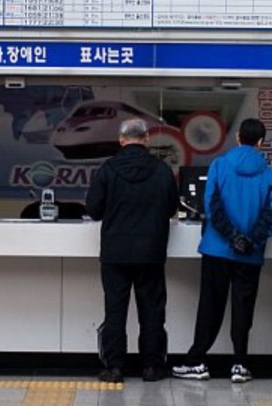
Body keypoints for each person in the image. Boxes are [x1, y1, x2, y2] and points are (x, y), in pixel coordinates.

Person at [172, 117, 272, 384]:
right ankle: (239, 364)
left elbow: (212, 206)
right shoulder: (269, 175)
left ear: (238, 137)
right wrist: (248, 240)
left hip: (217, 249)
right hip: (250, 255)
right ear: (261, 142)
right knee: (243, 309)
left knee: (210, 305)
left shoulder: (219, 165)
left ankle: (197, 361)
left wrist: (231, 236)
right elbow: (271, 218)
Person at [85, 117, 178, 384]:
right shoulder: (162, 170)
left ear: (121, 140)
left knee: (115, 310)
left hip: (116, 252)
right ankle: (152, 366)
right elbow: (171, 208)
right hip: (151, 251)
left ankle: (115, 367)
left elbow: (93, 210)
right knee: (152, 311)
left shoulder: (108, 169)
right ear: (146, 138)